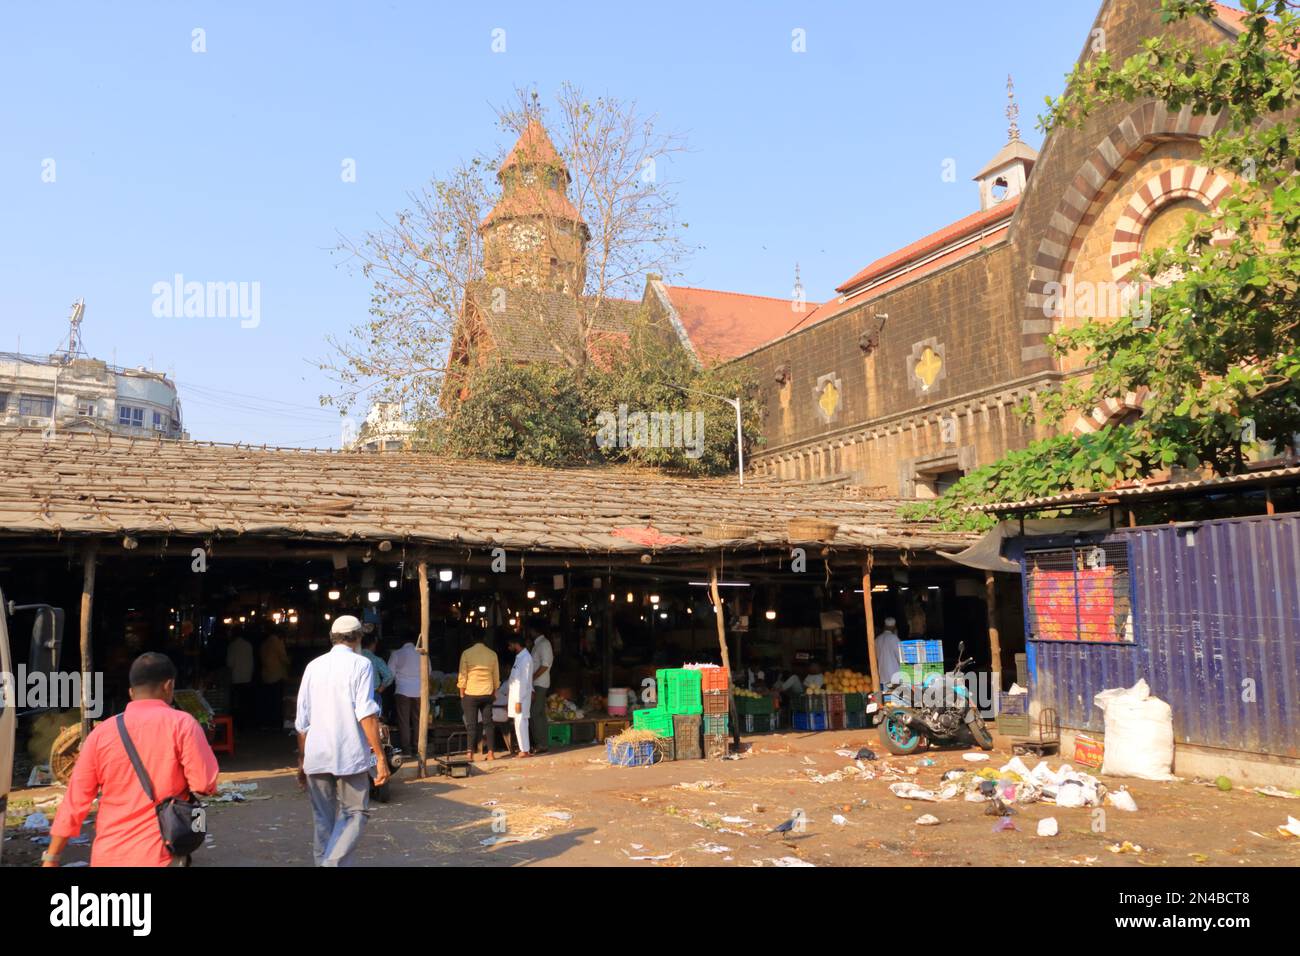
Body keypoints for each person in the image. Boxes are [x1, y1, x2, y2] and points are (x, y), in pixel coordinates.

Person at [45, 652, 220, 867]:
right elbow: (204, 784)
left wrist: (52, 857)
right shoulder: (183, 725)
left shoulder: (101, 734)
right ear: (169, 685)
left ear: (131, 692)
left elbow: (75, 801)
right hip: (161, 855)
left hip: (108, 855)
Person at [295, 615, 389, 867]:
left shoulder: (313, 666)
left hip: (317, 753)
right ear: (358, 638)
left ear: (332, 638)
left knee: (322, 820)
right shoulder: (361, 665)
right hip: (349, 754)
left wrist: (302, 761)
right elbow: (366, 714)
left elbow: (302, 721)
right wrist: (380, 757)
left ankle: (326, 862)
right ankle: (331, 864)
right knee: (355, 813)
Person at [457, 630, 500, 761]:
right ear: (484, 639)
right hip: (487, 692)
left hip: (471, 693)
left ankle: (470, 753)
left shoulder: (466, 653)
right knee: (488, 723)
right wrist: (494, 691)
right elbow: (496, 676)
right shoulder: (492, 654)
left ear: (472, 638)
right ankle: (491, 753)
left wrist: (462, 693)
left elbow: (462, 674)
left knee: (471, 724)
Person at [388, 631, 427, 755]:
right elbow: (429, 671)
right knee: (418, 720)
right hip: (419, 691)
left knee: (404, 721)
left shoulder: (396, 654)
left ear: (401, 641)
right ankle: (418, 749)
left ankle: (407, 750)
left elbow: (390, 674)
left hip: (402, 690)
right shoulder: (422, 654)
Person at [505, 635, 534, 758]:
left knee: (521, 722)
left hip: (520, 697)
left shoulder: (526, 658)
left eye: (510, 644)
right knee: (520, 722)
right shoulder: (520, 658)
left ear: (516, 644)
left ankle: (524, 750)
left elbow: (525, 681)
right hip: (518, 696)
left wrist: (518, 700)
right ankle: (524, 749)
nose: (509, 647)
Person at [526, 625, 553, 754]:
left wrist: (532, 677)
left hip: (539, 683)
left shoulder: (544, 644)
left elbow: (545, 664)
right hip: (536, 683)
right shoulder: (537, 644)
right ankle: (540, 743)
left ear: (535, 630)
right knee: (538, 713)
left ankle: (541, 744)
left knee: (535, 713)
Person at [259, 627, 291, 730]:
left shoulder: (264, 644)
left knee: (269, 700)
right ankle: (277, 723)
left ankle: (269, 722)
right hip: (277, 675)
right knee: (277, 700)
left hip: (266, 675)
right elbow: (283, 657)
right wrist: (290, 661)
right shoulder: (277, 642)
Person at [226, 628, 255, 729]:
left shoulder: (232, 646)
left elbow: (229, 663)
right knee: (245, 702)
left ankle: (238, 724)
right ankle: (246, 723)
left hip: (236, 677)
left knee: (236, 702)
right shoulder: (248, 645)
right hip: (247, 677)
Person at [361, 628, 394, 705]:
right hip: (373, 694)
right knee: (373, 716)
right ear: (374, 644)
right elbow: (389, 676)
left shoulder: (355, 657)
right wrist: (380, 689)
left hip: (357, 695)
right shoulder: (376, 659)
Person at [875, 617, 903, 687]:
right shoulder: (894, 638)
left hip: (882, 677)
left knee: (885, 696)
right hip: (894, 677)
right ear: (894, 627)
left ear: (884, 627)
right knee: (894, 697)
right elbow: (901, 658)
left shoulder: (877, 639)